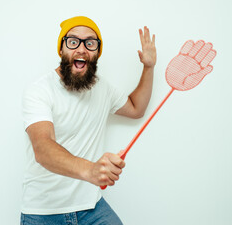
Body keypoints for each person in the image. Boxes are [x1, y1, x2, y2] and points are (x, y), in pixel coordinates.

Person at [21, 16, 156, 225]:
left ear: (97, 53)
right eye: (73, 41)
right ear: (61, 49)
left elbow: (136, 108)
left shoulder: (102, 89)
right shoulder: (39, 91)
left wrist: (148, 67)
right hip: (43, 212)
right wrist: (91, 170)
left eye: (90, 43)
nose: (82, 49)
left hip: (92, 208)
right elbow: (43, 147)